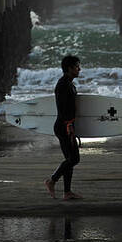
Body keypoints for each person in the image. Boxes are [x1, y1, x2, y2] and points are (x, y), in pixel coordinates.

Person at [44, 55, 83, 200]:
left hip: (66, 125)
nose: (79, 69)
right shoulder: (63, 85)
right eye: (77, 66)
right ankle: (51, 181)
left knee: (69, 159)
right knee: (74, 159)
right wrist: (68, 125)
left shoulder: (68, 83)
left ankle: (67, 192)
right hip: (63, 126)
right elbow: (62, 108)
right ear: (69, 68)